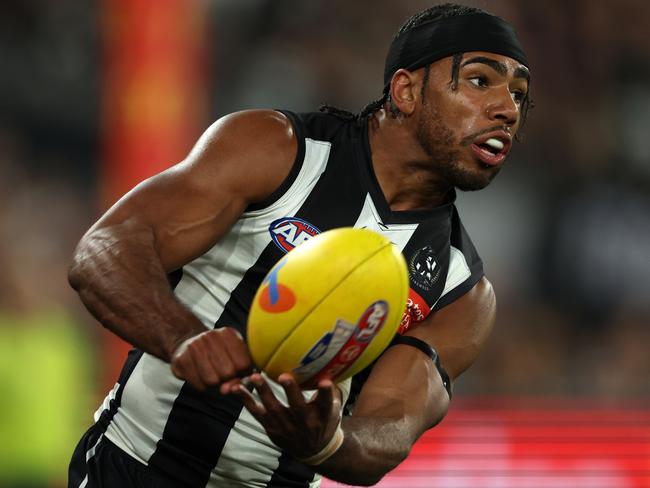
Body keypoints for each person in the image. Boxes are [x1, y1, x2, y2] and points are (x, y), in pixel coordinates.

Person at [68, 3, 531, 487]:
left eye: (519, 95)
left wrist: (326, 444)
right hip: (131, 468)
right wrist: (181, 337)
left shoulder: (463, 291)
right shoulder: (278, 149)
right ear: (406, 90)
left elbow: (393, 426)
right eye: (481, 81)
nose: (507, 110)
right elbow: (104, 250)